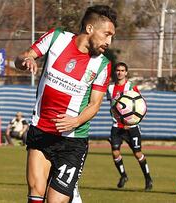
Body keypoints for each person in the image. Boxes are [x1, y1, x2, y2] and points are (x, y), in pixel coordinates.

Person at [14, 5, 117, 203]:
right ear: (89, 29)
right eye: (106, 34)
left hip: (72, 141)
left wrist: (75, 121)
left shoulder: (102, 64)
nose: (109, 42)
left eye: (112, 36)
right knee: (35, 193)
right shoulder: (56, 38)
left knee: (55, 200)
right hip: (41, 131)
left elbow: (94, 104)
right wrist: (26, 60)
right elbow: (22, 57)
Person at [106, 62, 153, 191]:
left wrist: (132, 121)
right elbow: (112, 106)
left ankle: (148, 178)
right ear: (115, 72)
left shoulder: (131, 87)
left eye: (122, 70)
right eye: (118, 70)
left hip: (132, 128)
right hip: (116, 126)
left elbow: (140, 105)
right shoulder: (110, 89)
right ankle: (123, 175)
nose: (120, 72)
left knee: (138, 154)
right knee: (115, 152)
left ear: (126, 72)